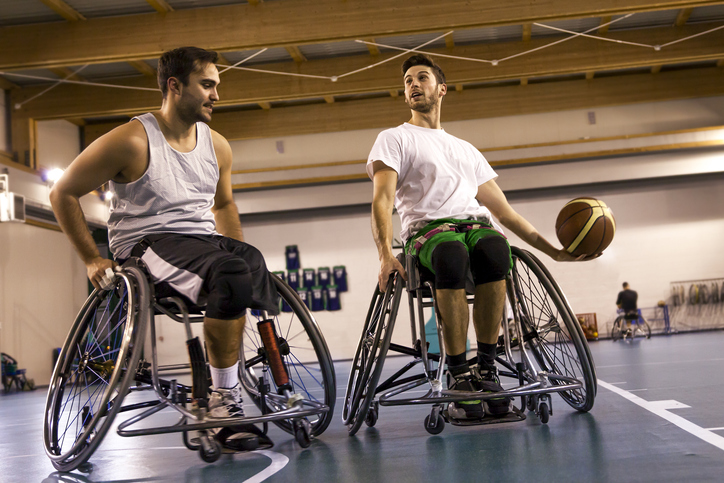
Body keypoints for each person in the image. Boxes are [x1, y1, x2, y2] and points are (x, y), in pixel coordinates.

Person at [50, 46, 278, 450]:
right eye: (207, 85)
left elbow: (223, 204)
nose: (217, 95)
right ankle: (221, 403)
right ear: (175, 86)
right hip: (145, 246)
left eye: (217, 85)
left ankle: (238, 380)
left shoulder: (218, 145)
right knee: (229, 272)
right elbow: (62, 192)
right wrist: (91, 258)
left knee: (250, 262)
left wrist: (238, 257)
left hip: (201, 243)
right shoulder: (132, 140)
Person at [367, 54, 583, 421]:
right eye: (407, 81)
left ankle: (487, 367)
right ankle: (458, 371)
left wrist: (555, 253)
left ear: (442, 89)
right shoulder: (394, 139)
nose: (413, 84)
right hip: (429, 233)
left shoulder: (466, 149)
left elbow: (506, 214)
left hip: (475, 227)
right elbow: (382, 200)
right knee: (451, 253)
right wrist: (386, 255)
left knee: (497, 248)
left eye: (422, 77)